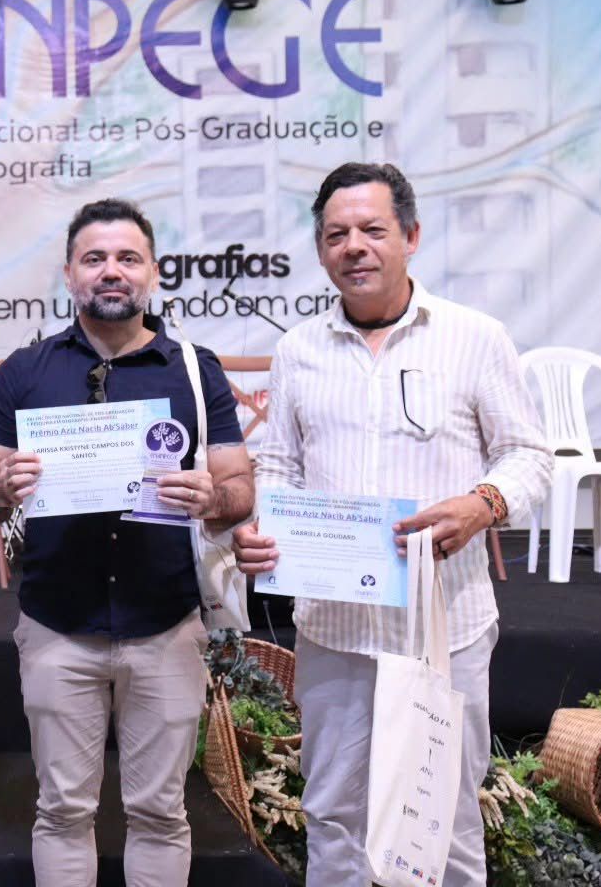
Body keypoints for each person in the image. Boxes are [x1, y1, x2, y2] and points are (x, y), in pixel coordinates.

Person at [232, 163, 552, 887]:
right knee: (334, 813)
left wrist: (484, 504)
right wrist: (263, 526)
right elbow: (276, 466)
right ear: (320, 251)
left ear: (409, 236)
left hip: (445, 626)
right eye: (337, 234)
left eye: (373, 230)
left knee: (447, 816)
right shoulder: (298, 351)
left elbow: (530, 456)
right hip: (335, 628)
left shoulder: (474, 337)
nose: (356, 247)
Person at [0, 198, 254, 887]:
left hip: (168, 623)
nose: (111, 272)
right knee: (62, 810)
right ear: (69, 274)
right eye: (94, 259)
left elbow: (241, 486)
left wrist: (214, 498)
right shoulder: (26, 372)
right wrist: (1, 486)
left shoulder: (193, 368)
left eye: (127, 258)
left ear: (152, 271)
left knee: (160, 811)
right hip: (57, 628)